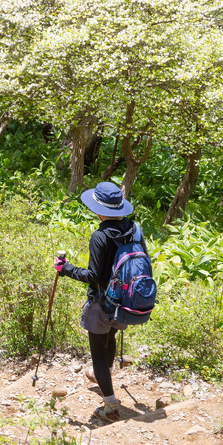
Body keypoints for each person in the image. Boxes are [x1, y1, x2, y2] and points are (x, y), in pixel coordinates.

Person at [54, 181, 147, 423]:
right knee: (110, 339)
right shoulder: (135, 229)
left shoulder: (100, 236)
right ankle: (102, 377)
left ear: (98, 208)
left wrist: (66, 269)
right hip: (126, 302)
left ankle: (110, 406)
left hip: (103, 303)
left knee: (98, 351)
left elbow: (93, 276)